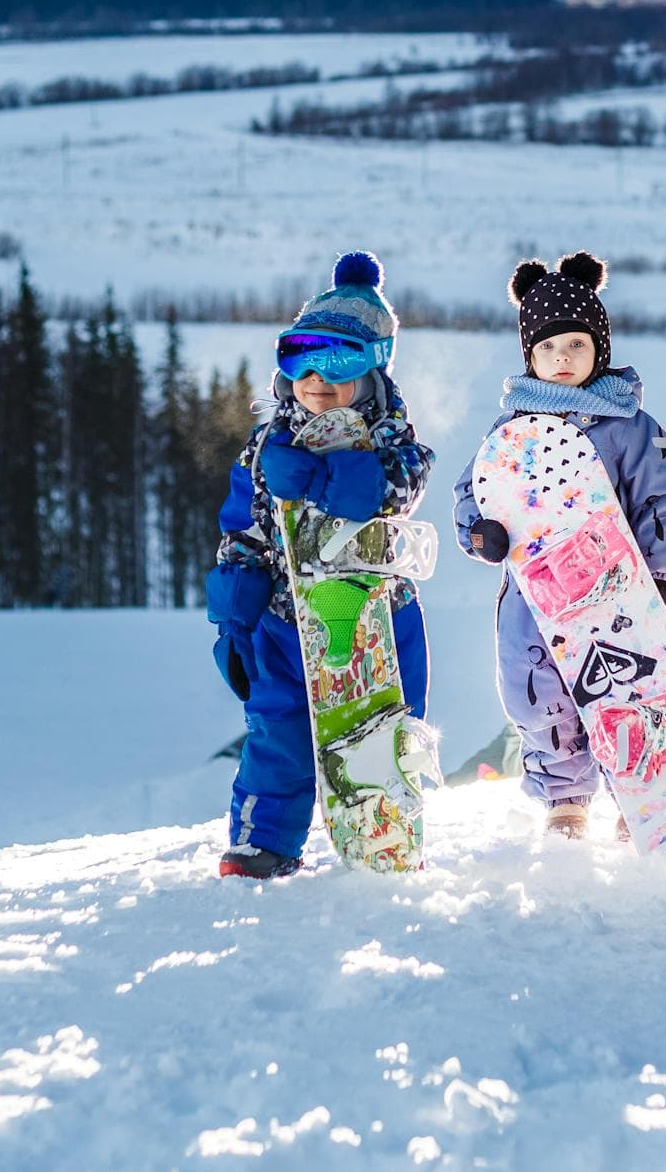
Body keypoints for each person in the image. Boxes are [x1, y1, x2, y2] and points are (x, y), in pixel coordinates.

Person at [205, 251, 434, 878]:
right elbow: (244, 525)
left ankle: (381, 836)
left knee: (375, 731)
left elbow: (396, 491)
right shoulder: (267, 443)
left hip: (374, 623)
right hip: (286, 619)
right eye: (299, 357)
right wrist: (235, 612)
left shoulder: (392, 439)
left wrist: (326, 476)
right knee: (277, 730)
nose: (317, 377)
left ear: (374, 369)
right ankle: (264, 845)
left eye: (340, 361)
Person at [451, 251, 666, 841]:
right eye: (549, 349)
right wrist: (482, 533)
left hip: (617, 589)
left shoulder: (630, 425)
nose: (564, 359)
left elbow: (661, 498)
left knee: (627, 689)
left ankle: (639, 790)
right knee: (534, 691)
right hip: (534, 594)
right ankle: (565, 797)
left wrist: (662, 575)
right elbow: (474, 488)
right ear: (530, 357)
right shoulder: (511, 426)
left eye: (577, 346)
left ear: (599, 349)